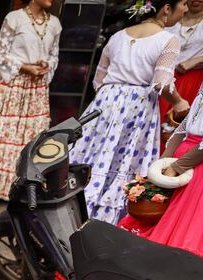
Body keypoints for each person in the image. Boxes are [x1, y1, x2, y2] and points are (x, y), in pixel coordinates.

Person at [69, 0, 190, 224]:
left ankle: (75, 207)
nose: (185, 9)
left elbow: (99, 79)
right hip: (138, 105)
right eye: (182, 3)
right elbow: (161, 83)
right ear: (166, 8)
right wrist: (179, 101)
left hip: (106, 102)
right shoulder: (168, 40)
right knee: (125, 159)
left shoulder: (118, 36)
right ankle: (106, 219)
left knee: (95, 155)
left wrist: (113, 96)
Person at [0, 0, 62, 203]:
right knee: (3, 132)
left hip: (37, 90)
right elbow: (0, 55)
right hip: (13, 87)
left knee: (32, 136)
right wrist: (24, 67)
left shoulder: (55, 23)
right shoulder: (14, 18)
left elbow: (55, 55)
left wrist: (46, 63)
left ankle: (25, 188)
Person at [119, 83, 203, 257]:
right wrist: (163, 162)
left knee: (183, 229)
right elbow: (184, 127)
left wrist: (178, 166)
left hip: (197, 165)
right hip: (182, 156)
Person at [159, 0, 203, 151]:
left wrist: (196, 60)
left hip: (194, 80)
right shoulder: (171, 19)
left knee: (180, 125)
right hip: (164, 78)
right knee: (159, 122)